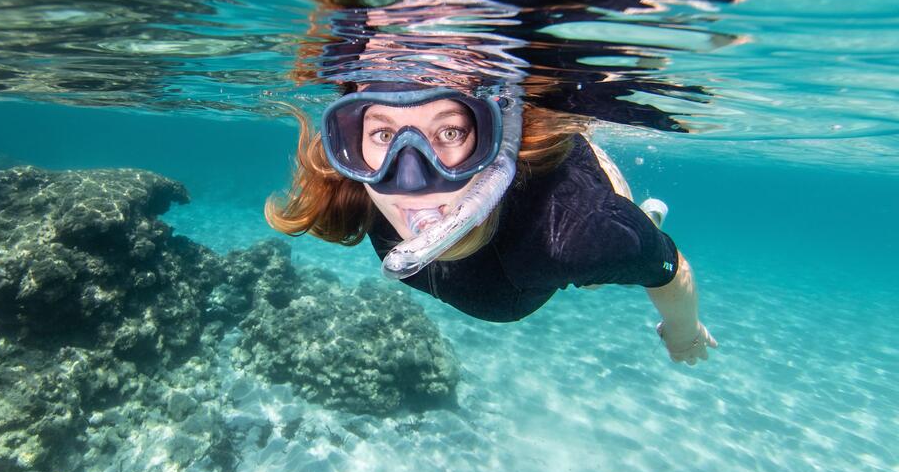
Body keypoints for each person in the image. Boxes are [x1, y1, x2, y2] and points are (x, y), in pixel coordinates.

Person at [266, 80, 717, 364]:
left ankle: (642, 217)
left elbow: (670, 269)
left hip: (563, 171)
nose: (411, 181)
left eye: (451, 132)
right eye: (383, 134)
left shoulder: (572, 231)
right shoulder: (357, 190)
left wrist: (684, 332)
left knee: (603, 264)